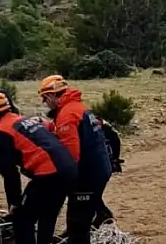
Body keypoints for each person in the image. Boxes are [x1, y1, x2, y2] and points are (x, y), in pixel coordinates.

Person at [0, 91, 77, 244]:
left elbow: (10, 173)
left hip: (49, 173)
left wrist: (14, 203)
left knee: (22, 218)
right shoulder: (20, 120)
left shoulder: (1, 132)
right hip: (68, 168)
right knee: (47, 215)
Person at [37, 76, 112, 244]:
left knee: (78, 224)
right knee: (80, 219)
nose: (44, 103)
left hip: (88, 173)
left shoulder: (67, 115)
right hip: (98, 167)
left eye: (45, 98)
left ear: (52, 95)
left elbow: (70, 156)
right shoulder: (78, 107)